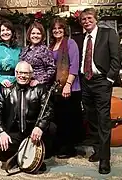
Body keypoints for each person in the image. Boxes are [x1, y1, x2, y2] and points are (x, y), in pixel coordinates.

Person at [79, 8, 121, 174]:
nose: (86, 21)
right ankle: (98, 150)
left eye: (89, 18)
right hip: (86, 82)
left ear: (95, 19)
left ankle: (105, 160)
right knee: (91, 118)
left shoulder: (108, 33)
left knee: (103, 120)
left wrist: (109, 79)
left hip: (102, 82)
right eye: (83, 19)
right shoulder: (82, 38)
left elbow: (117, 58)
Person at [0, 61, 55, 171]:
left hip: (32, 133)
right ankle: (19, 155)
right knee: (4, 153)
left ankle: (24, 156)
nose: (22, 76)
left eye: (26, 73)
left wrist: (39, 127)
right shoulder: (6, 90)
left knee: (51, 129)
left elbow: (48, 110)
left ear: (31, 74)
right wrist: (2, 132)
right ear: (16, 73)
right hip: (13, 132)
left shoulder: (40, 89)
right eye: (20, 72)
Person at [49, 17, 83, 158]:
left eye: (60, 28)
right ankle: (60, 146)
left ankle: (69, 148)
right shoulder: (51, 46)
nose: (57, 31)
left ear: (64, 30)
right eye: (54, 29)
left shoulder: (70, 43)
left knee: (69, 119)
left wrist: (68, 85)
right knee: (59, 119)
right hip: (56, 88)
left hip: (71, 87)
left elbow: (74, 65)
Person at [0, 19, 21, 148]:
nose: (5, 32)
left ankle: (10, 142)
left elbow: (20, 68)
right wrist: (1, 80)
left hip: (14, 84)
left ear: (12, 32)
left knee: (11, 114)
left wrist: (14, 81)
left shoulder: (17, 49)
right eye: (2, 30)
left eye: (8, 30)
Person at [19, 22, 56, 87]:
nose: (35, 36)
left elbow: (51, 69)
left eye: (38, 33)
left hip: (38, 87)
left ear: (42, 36)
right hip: (24, 85)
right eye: (33, 33)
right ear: (29, 35)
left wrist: (39, 80)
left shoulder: (44, 50)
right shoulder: (24, 49)